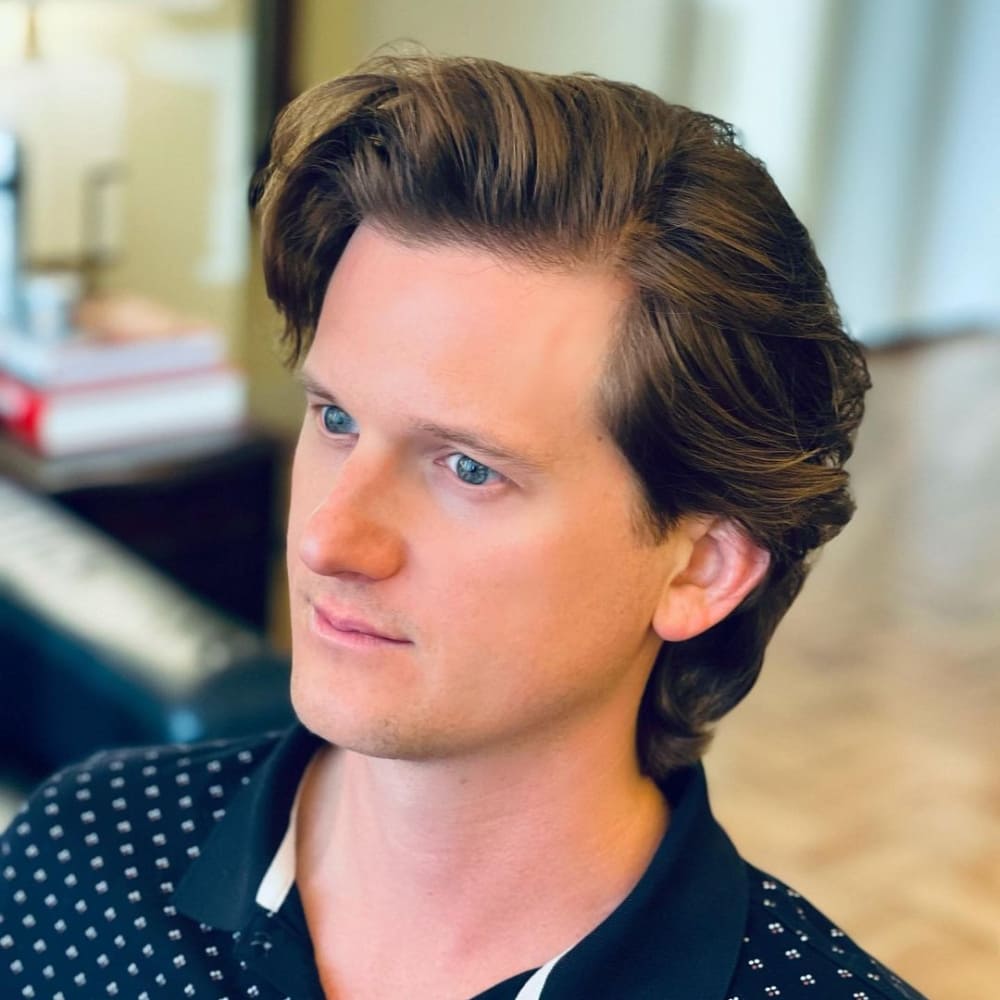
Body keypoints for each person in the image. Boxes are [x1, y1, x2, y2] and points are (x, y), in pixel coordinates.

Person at [0, 55, 927, 1000]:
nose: (329, 539)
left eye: (469, 468)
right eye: (335, 419)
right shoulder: (78, 858)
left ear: (699, 569)